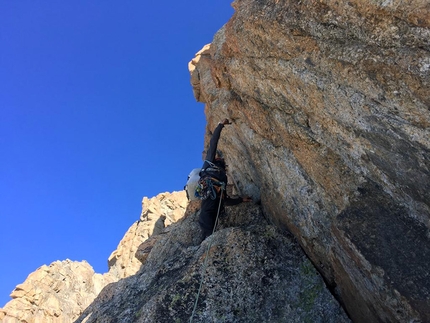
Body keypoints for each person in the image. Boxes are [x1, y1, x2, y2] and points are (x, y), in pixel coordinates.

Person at [198, 119, 251, 240]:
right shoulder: (210, 163)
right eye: (222, 160)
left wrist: (241, 200)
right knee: (207, 232)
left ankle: (206, 243)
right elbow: (213, 143)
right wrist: (220, 125)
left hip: (216, 203)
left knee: (210, 231)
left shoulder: (223, 176)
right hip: (209, 200)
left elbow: (225, 199)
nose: (223, 161)